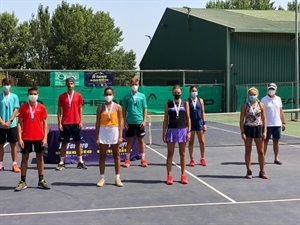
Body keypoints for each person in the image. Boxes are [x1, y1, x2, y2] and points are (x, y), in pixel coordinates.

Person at [15, 86, 50, 191]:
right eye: (31, 94)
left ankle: (41, 180)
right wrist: (20, 139)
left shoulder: (41, 107)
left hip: (39, 137)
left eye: (35, 94)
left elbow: (45, 123)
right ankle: (23, 181)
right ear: (28, 95)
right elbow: (19, 124)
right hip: (26, 137)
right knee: (24, 159)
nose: (33, 96)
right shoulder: (23, 107)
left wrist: (45, 138)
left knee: (40, 158)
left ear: (38, 95)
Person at [55, 77, 87, 170]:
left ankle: (80, 161)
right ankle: (61, 162)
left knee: (78, 143)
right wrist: (59, 123)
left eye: (72, 83)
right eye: (68, 83)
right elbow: (59, 110)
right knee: (64, 143)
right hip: (65, 123)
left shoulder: (79, 96)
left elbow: (80, 108)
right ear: (66, 84)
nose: (70, 85)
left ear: (74, 84)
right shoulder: (61, 96)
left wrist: (81, 121)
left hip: (76, 122)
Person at [162, 84, 191, 185]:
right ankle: (169, 175)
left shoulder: (185, 104)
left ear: (181, 93)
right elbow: (166, 120)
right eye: (175, 93)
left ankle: (183, 175)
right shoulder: (168, 104)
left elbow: (188, 118)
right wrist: (164, 132)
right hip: (171, 130)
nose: (177, 94)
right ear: (172, 93)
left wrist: (189, 131)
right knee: (170, 154)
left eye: (178, 93)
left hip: (183, 130)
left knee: (183, 154)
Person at [95, 87, 123, 187]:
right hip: (103, 132)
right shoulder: (100, 108)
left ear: (113, 95)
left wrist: (120, 136)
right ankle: (102, 178)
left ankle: (117, 178)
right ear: (104, 95)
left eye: (110, 94)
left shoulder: (118, 107)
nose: (108, 96)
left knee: (117, 156)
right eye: (106, 94)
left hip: (114, 131)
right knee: (102, 156)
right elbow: (97, 123)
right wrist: (97, 137)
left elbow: (120, 122)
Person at [239, 86, 268, 179]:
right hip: (248, 128)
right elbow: (241, 120)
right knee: (248, 151)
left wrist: (265, 131)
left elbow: (264, 119)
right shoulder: (244, 106)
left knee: (261, 151)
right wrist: (242, 132)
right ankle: (248, 171)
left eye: (254, 94)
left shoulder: (261, 105)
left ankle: (262, 171)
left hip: (258, 128)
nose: (253, 96)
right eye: (251, 94)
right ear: (248, 95)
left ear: (257, 95)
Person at [122, 76, 148, 167]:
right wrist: (124, 121)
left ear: (138, 85)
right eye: (132, 84)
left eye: (136, 84)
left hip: (139, 122)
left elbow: (145, 108)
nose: (134, 86)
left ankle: (143, 159)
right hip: (130, 122)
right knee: (129, 141)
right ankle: (127, 160)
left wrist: (144, 120)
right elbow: (124, 110)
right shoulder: (126, 97)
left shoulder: (142, 96)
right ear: (130, 85)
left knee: (141, 141)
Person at [261, 83, 286, 165]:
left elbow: (281, 111)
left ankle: (276, 158)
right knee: (265, 142)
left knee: (276, 141)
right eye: (270, 89)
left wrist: (283, 122)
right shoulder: (263, 99)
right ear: (268, 89)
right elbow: (261, 112)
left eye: (273, 89)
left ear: (276, 90)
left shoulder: (278, 99)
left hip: (277, 124)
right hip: (267, 125)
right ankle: (262, 158)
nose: (271, 90)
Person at [0, 78, 20, 172]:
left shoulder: (14, 96)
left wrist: (10, 121)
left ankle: (14, 164)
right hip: (1, 125)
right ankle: (0, 164)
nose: (6, 86)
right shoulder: (0, 96)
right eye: (4, 84)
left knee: (13, 144)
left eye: (7, 84)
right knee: (0, 145)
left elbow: (16, 109)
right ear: (2, 85)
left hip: (12, 125)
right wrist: (2, 122)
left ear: (11, 85)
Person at [187, 85, 207, 167]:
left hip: (199, 122)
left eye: (195, 91)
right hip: (191, 123)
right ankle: (192, 159)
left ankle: (202, 158)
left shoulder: (200, 100)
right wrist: (187, 126)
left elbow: (203, 112)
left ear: (197, 92)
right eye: (192, 91)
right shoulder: (188, 102)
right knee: (191, 142)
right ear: (190, 92)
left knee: (202, 141)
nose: (194, 92)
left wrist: (204, 123)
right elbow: (187, 115)